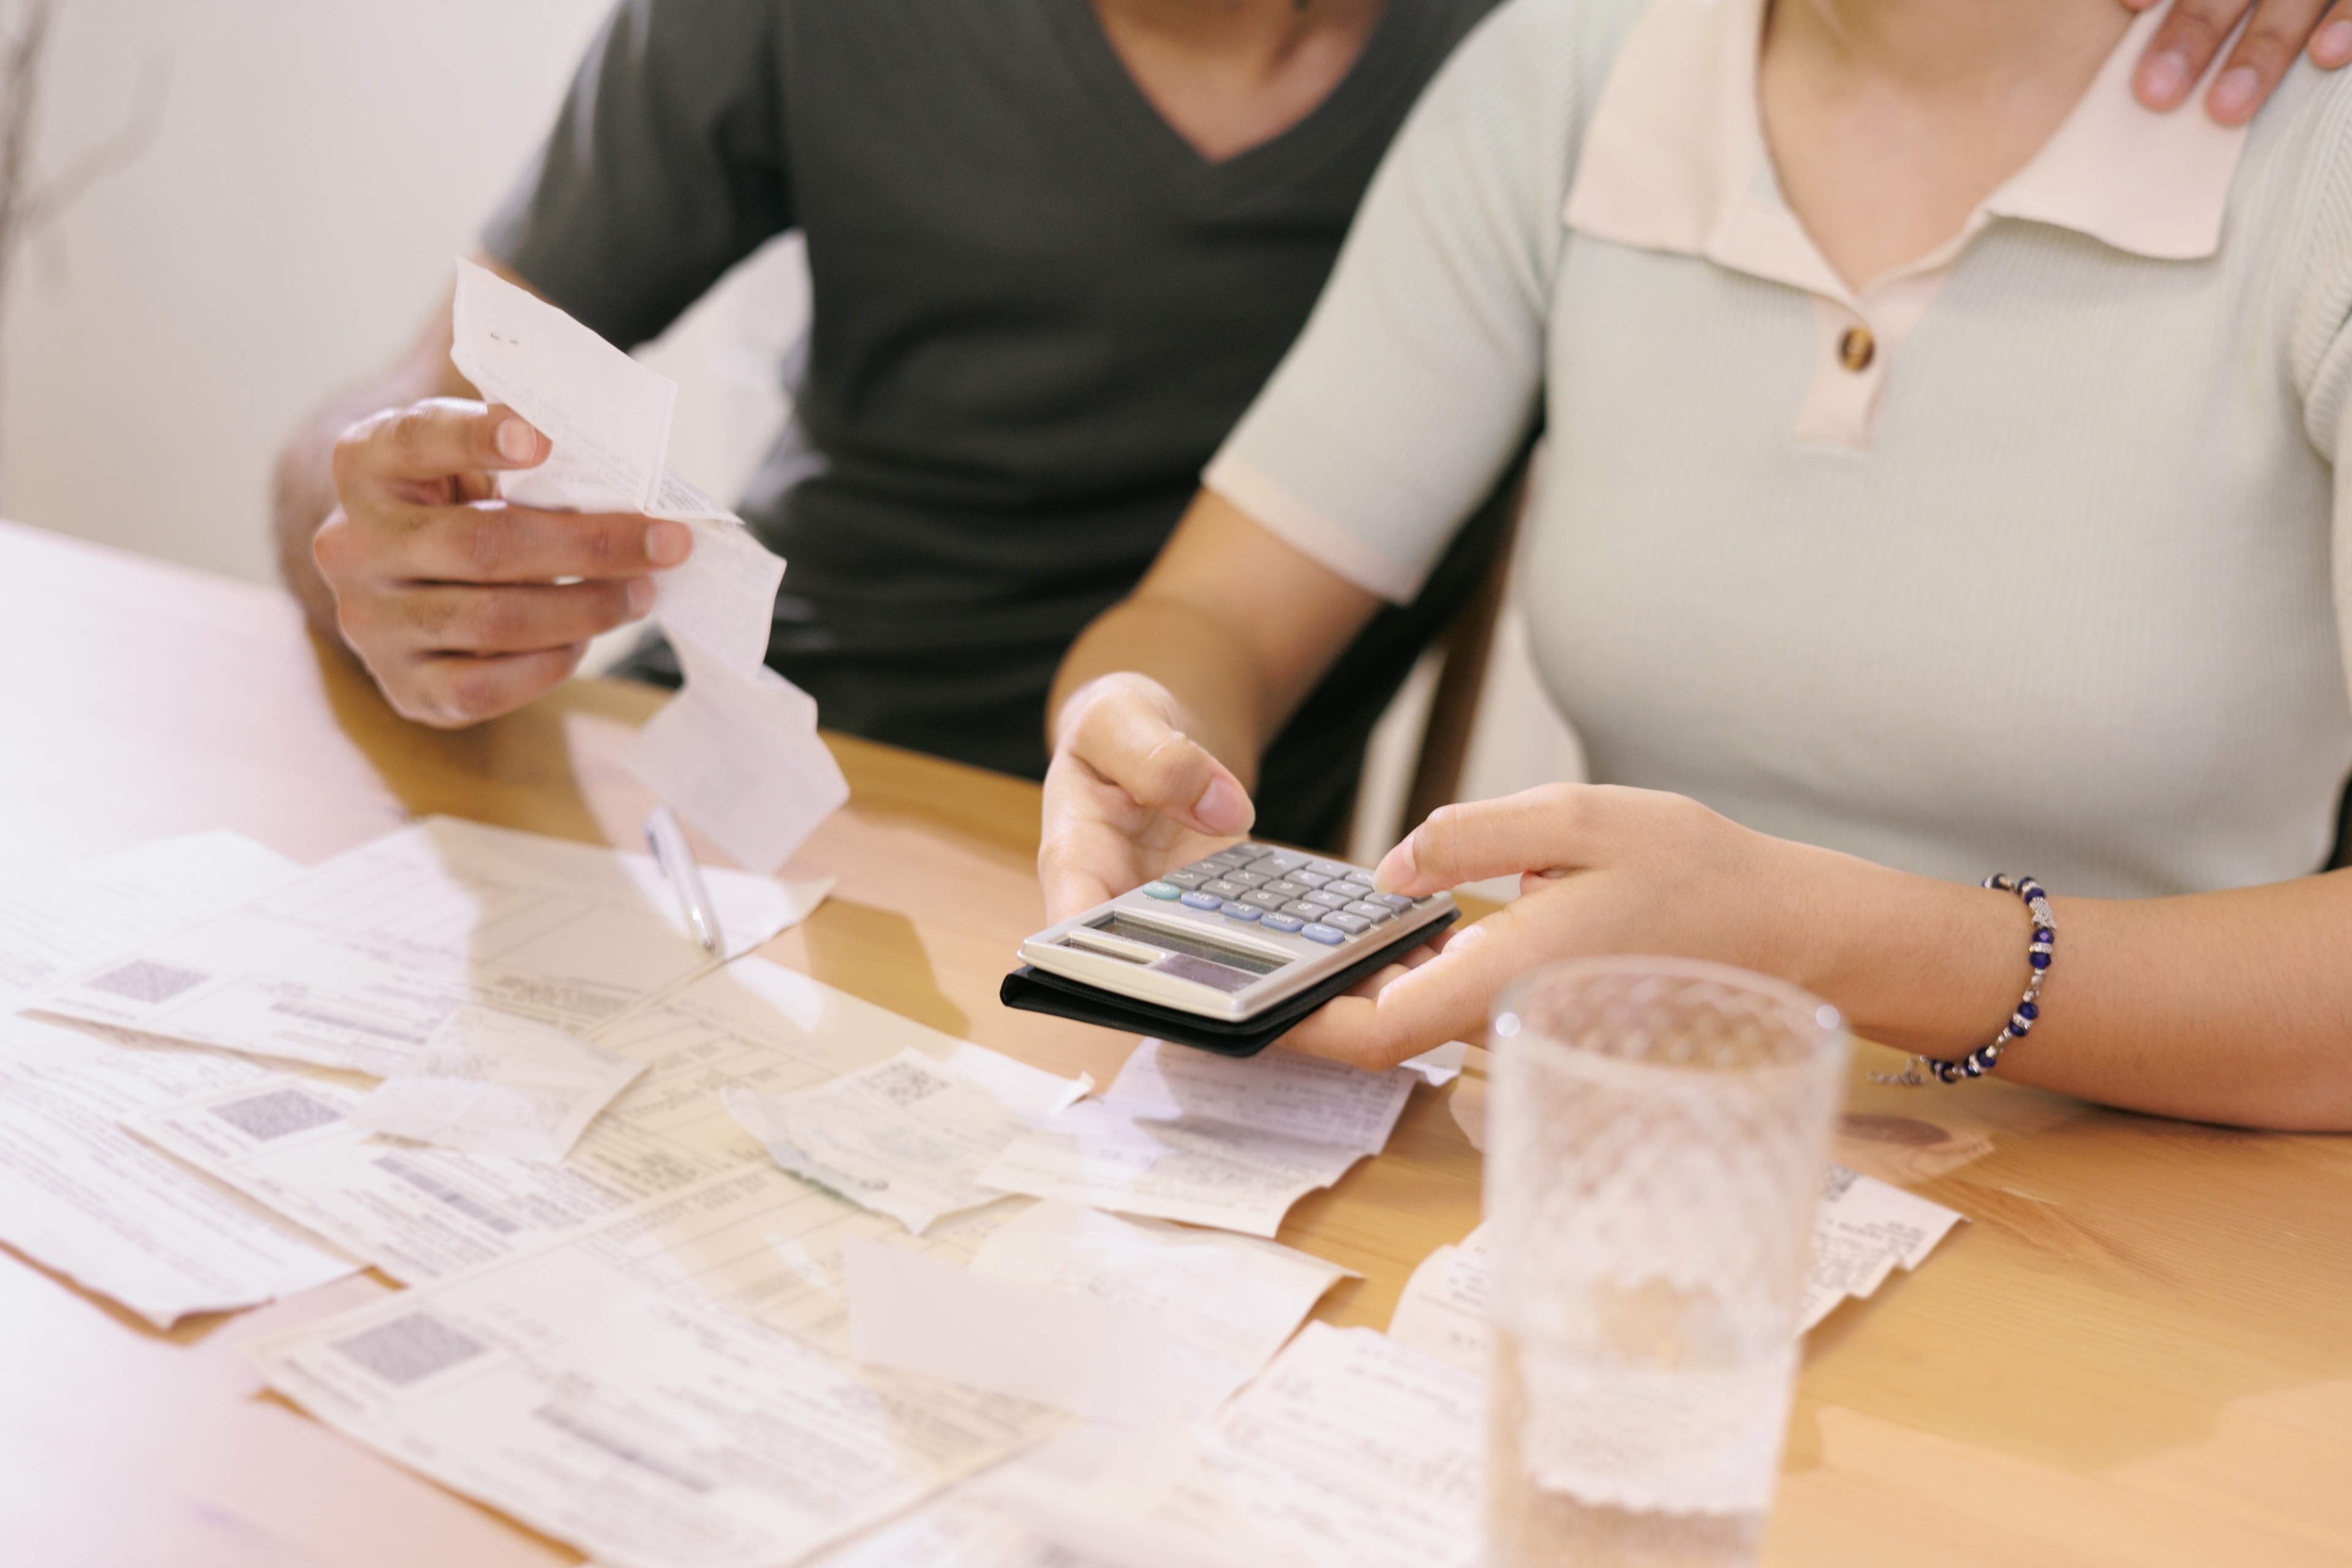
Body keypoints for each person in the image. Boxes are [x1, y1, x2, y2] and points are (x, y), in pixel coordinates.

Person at [273, 0, 2338, 854]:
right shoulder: (1575, 80)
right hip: (771, 802)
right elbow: (410, 395)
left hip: (1203, 897)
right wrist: (378, 532)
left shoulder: (1543, 48)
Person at [1039, 0, 2352, 1132]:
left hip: (2170, 1213)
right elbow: (1216, 610)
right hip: (1622, 1137)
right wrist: (1135, 731)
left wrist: (1838, 942)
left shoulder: (2320, 141)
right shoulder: (1575, 68)